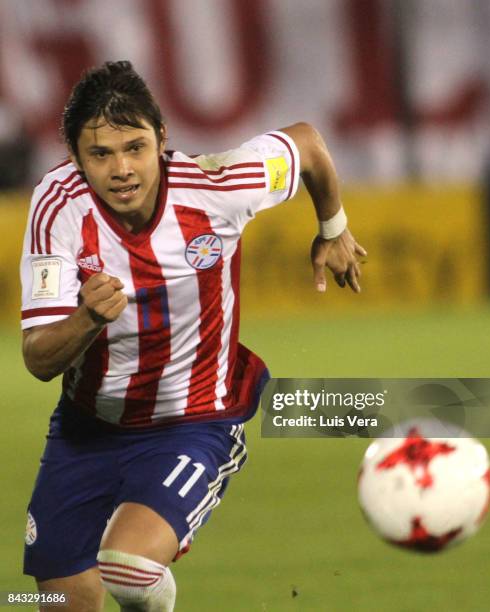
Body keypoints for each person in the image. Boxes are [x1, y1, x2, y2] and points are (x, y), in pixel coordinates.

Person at [20, 60, 366, 612]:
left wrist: (334, 226)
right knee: (61, 604)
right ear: (75, 159)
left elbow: (308, 144)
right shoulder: (58, 209)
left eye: (135, 147)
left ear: (162, 138)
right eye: (100, 155)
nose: (122, 169)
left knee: (128, 569)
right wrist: (86, 319)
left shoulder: (219, 186)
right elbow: (38, 358)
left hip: (193, 421)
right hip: (86, 430)